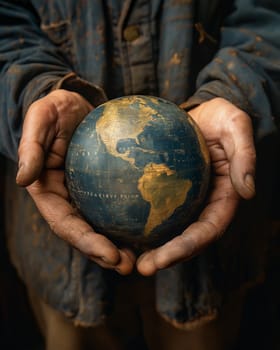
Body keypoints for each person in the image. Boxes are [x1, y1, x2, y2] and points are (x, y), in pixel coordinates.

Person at [0, 0, 279, 349]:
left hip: (216, 265)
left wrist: (238, 91)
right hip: (60, 266)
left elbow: (269, 15)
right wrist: (31, 90)